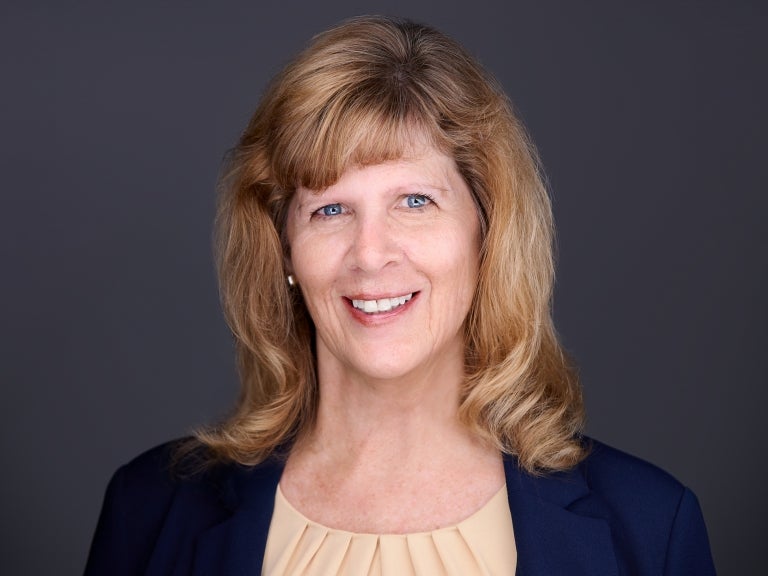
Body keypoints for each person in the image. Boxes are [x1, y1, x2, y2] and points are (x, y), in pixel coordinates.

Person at [84, 15, 716, 575]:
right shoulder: (149, 508)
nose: (370, 254)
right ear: (283, 251)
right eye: (329, 210)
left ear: (487, 233)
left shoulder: (652, 527)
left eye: (415, 201)